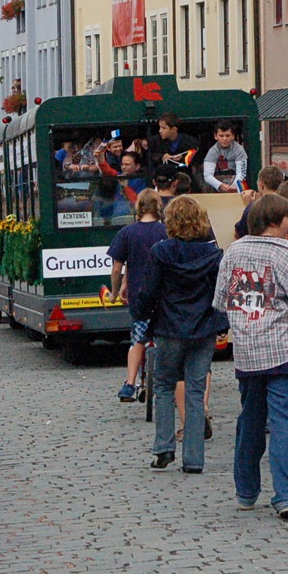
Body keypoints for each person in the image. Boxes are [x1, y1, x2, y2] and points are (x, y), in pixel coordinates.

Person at [214, 194, 288, 519]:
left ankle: (246, 490)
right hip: (283, 349)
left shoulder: (234, 252)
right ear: (275, 220)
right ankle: (286, 495)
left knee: (250, 420)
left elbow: (222, 301)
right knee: (284, 423)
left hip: (248, 351)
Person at [133, 196, 226, 474]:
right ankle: (194, 458)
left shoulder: (161, 252)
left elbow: (148, 292)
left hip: (169, 326)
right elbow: (220, 294)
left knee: (163, 386)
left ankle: (164, 448)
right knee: (196, 391)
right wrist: (221, 325)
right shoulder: (213, 254)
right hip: (203, 327)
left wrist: (141, 314)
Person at [110, 189, 168, 404]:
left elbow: (117, 268)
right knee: (164, 339)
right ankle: (166, 381)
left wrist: (116, 291)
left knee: (137, 339)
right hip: (164, 298)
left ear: (139, 207)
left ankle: (130, 384)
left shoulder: (127, 232)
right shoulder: (166, 231)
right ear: (158, 207)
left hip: (139, 296)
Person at [202, 122, 249, 192]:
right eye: (221, 136)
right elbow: (207, 175)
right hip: (217, 186)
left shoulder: (239, 149)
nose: (224, 139)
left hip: (236, 184)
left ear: (233, 136)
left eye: (228, 135)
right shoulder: (212, 151)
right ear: (215, 136)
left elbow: (241, 173)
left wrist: (234, 186)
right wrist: (220, 185)